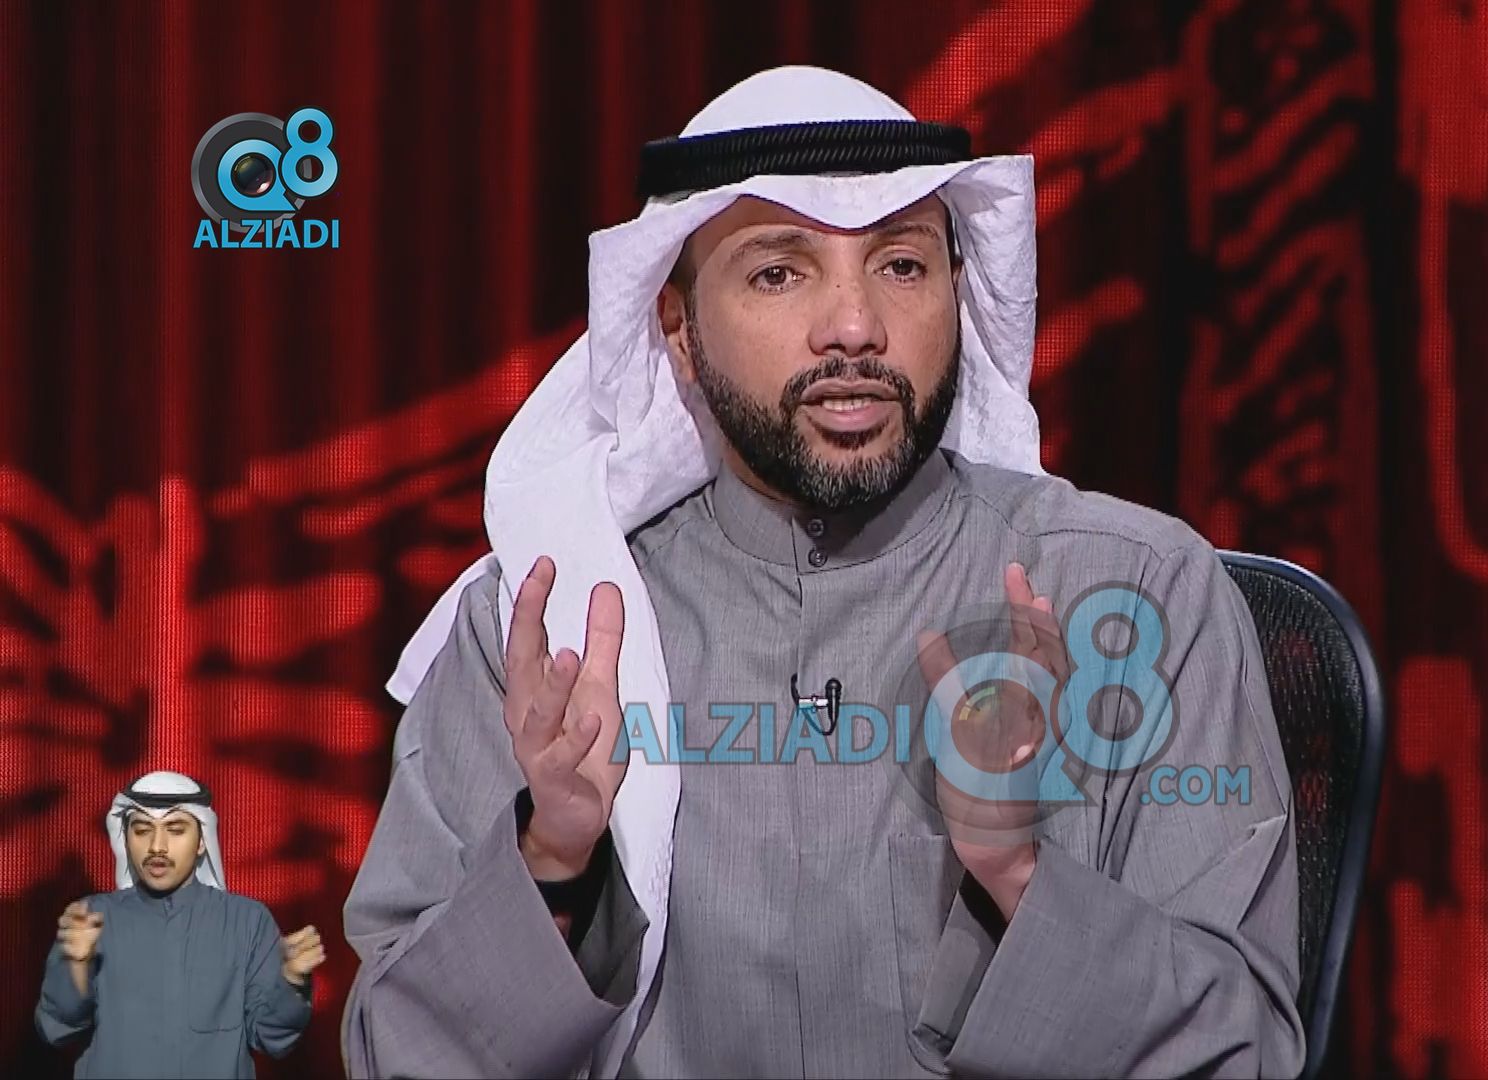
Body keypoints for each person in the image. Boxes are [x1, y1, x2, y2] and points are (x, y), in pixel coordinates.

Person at [343, 65, 1305, 1078]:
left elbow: (1243, 1055)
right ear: (677, 328)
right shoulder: (548, 636)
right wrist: (554, 859)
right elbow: (395, 1057)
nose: (854, 326)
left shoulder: (1140, 595)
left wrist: (1019, 878)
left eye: (902, 264)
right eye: (778, 273)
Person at [34, 770, 325, 1078]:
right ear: (125, 838)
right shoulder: (91, 918)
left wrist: (292, 980)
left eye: (175, 830)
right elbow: (56, 1030)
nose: (157, 846)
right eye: (142, 830)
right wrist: (76, 966)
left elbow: (271, 1037)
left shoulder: (247, 921)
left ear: (201, 842)